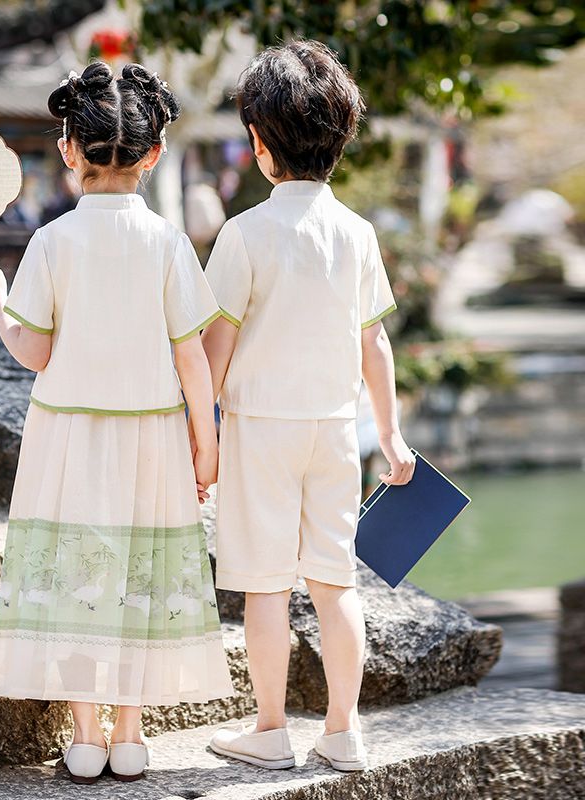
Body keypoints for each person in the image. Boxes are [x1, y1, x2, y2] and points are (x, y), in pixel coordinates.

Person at [0, 61, 234, 785]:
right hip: (151, 436)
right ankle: (131, 731)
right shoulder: (169, 244)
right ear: (153, 153)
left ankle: (84, 734)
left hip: (69, 436)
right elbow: (193, 364)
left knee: (78, 571)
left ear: (68, 151)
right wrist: (204, 451)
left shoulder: (53, 243)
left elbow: (34, 350)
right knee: (139, 573)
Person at [200, 41, 416, 773]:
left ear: (259, 142)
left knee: (265, 586)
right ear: (340, 137)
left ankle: (269, 728)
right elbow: (374, 343)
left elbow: (215, 349)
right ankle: (343, 730)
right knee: (335, 581)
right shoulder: (356, 233)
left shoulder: (243, 233)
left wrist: (199, 433)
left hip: (258, 428)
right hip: (334, 429)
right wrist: (390, 435)